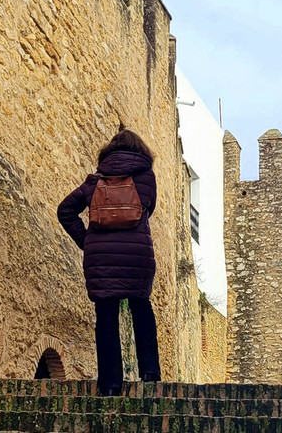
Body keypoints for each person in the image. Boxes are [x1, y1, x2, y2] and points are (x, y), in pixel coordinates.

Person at [57, 126, 162, 395]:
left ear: (108, 153)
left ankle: (110, 384)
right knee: (141, 309)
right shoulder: (146, 177)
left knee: (106, 317)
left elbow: (65, 210)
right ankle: (150, 374)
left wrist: (87, 240)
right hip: (137, 254)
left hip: (101, 256)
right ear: (140, 151)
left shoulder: (95, 182)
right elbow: (147, 209)